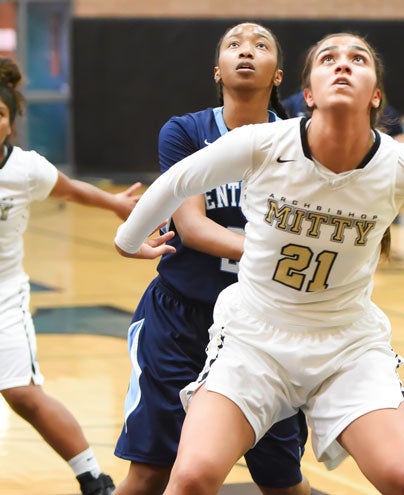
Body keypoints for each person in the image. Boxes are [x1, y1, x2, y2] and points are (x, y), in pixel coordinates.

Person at [115, 32, 404, 495]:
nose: (343, 64)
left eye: (357, 58)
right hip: (255, 339)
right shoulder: (262, 142)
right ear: (308, 93)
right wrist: (126, 238)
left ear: (375, 94)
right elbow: (176, 182)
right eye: (328, 58)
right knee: (190, 476)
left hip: (345, 344)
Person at [112, 22, 310, 495]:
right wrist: (274, 254)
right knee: (151, 472)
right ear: (217, 70)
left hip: (265, 325)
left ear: (278, 75)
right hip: (181, 318)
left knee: (282, 480)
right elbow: (194, 228)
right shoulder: (185, 131)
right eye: (234, 45)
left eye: (261, 46)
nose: (247, 51)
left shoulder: (301, 141)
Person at [0, 57, 141, 495]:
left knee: (22, 393)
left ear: (10, 123)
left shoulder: (24, 170)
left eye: (0, 113)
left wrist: (117, 205)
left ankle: (92, 477)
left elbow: (70, 190)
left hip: (3, 297)